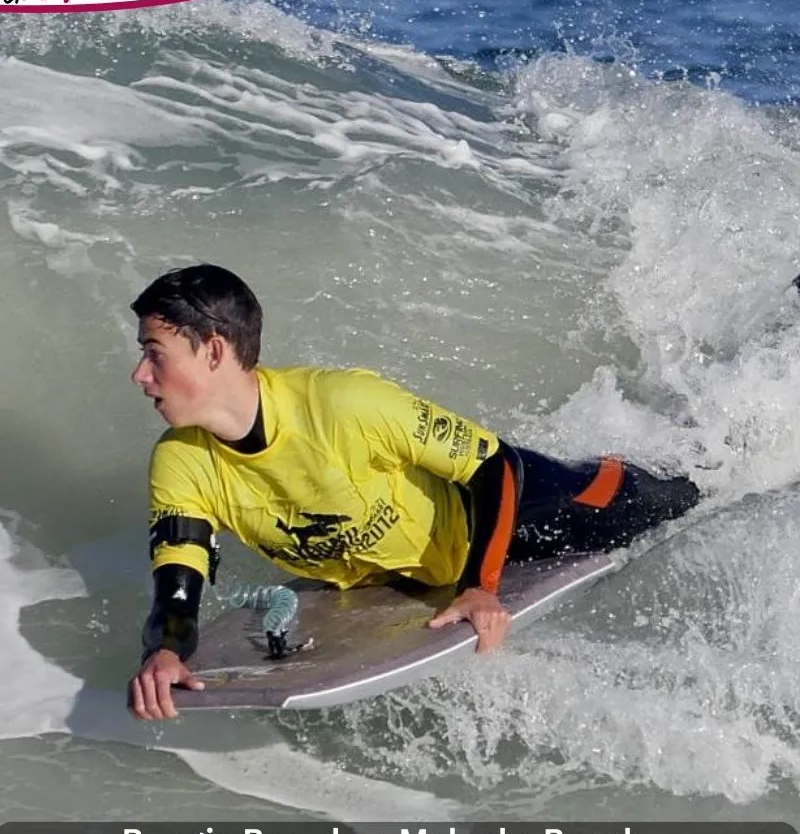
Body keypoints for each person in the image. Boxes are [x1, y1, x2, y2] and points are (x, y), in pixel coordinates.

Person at [127, 264, 700, 720]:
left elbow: (495, 466)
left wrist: (481, 587)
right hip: (415, 570)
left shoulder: (342, 405)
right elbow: (177, 584)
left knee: (692, 496)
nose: (140, 375)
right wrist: (167, 652)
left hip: (539, 513)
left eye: (154, 352)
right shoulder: (180, 463)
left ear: (214, 350)